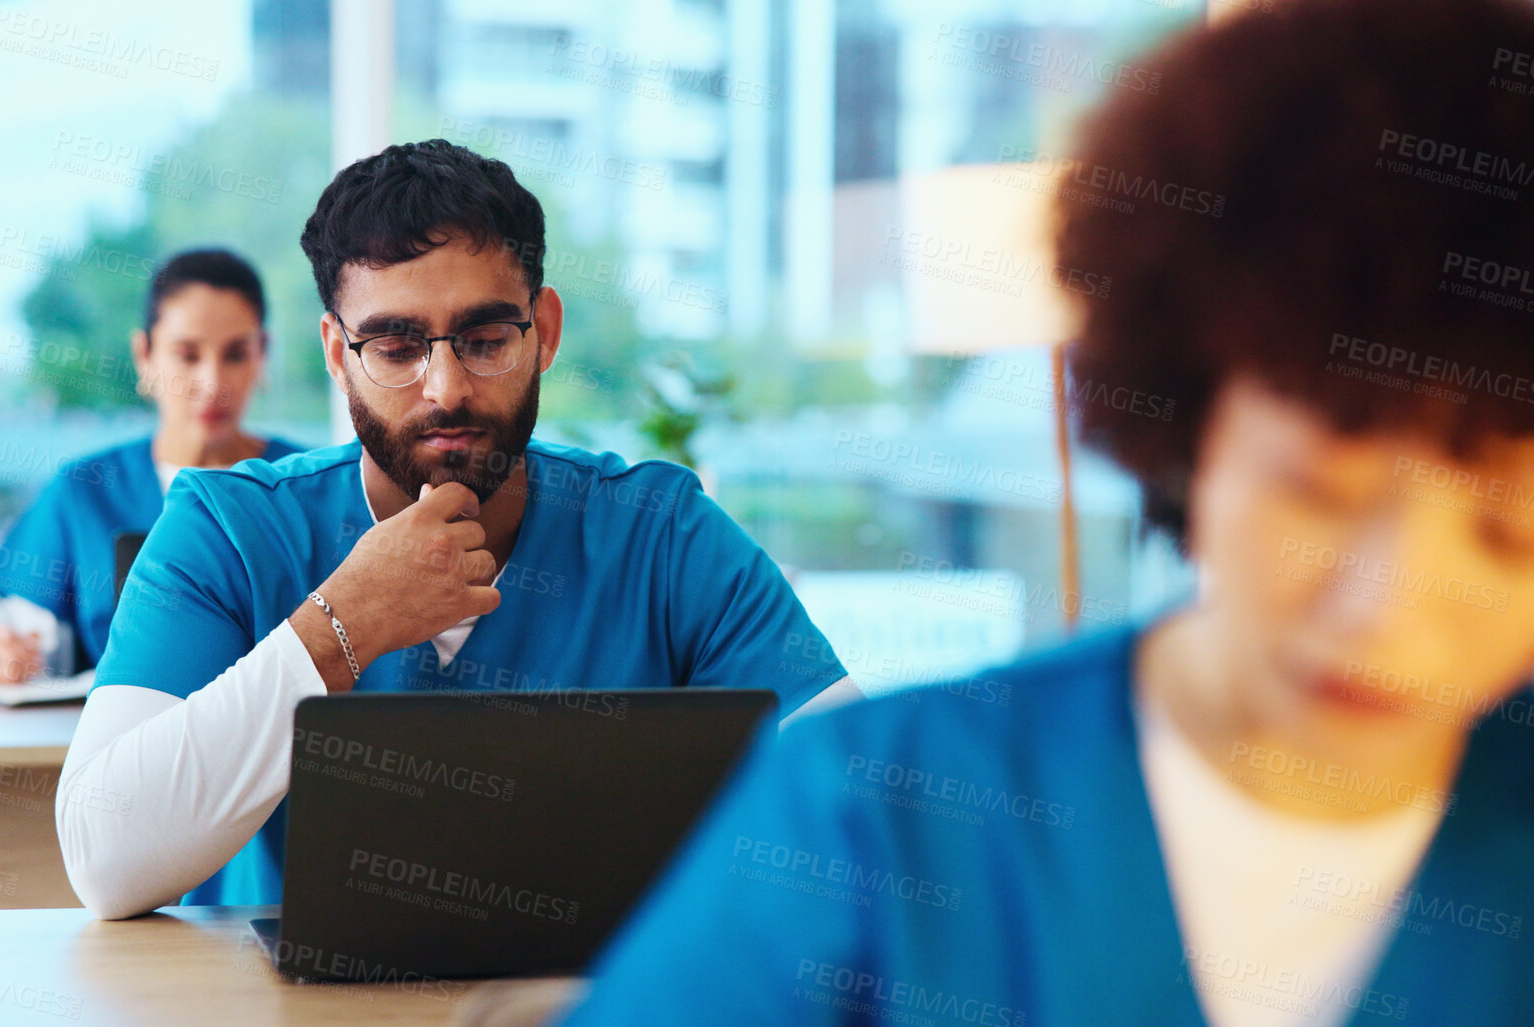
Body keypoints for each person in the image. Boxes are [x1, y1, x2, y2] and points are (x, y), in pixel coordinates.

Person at [562, 0, 1534, 1023]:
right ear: (1188, 429)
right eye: (1318, 493)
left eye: (1510, 536)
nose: (1386, 609)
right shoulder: (872, 824)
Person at [55, 140, 863, 918]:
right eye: (396, 345)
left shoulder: (665, 534)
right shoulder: (223, 530)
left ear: (542, 331)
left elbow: (859, 809)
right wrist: (340, 629)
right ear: (337, 352)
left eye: (482, 340)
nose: (445, 388)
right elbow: (105, 859)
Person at [0, 248, 303, 683]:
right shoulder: (86, 490)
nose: (213, 384)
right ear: (144, 355)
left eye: (235, 354)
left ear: (262, 354)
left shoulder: (306, 486)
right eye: (187, 356)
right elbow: (30, 639)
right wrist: (8, 656)